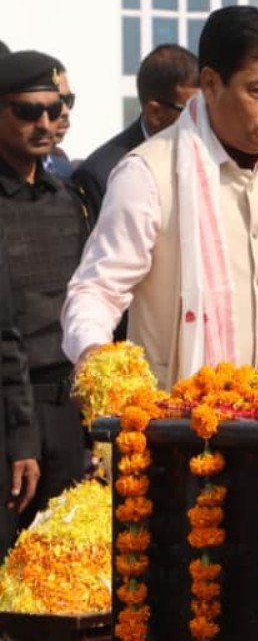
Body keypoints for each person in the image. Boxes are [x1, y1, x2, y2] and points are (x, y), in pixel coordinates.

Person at [62, 6, 258, 391]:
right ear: (210, 83)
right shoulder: (149, 174)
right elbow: (97, 289)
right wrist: (95, 356)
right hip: (181, 423)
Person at [0, 51, 82, 525]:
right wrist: (21, 437)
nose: (46, 122)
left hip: (67, 412)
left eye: (57, 108)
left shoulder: (68, 199)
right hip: (14, 416)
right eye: (29, 112)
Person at [74, 44, 200, 226]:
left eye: (206, 110)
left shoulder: (209, 156)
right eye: (192, 111)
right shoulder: (103, 173)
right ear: (155, 113)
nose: (203, 120)